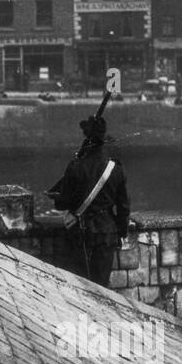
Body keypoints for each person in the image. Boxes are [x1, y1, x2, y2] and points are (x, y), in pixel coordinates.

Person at [49, 115, 130, 288]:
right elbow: (123, 208)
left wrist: (56, 198)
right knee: (101, 287)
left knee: (80, 287)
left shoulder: (75, 166)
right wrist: (121, 233)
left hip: (80, 234)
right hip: (107, 233)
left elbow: (63, 203)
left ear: (87, 139)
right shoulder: (116, 169)